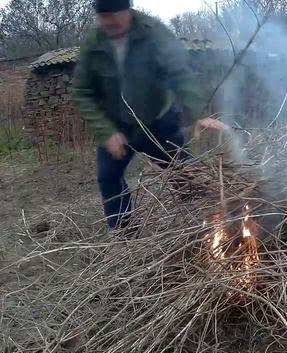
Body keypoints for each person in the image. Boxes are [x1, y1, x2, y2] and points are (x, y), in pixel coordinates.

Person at [73, 0, 225, 230]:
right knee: (108, 179)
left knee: (185, 175)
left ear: (127, 10)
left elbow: (180, 73)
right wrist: (106, 131)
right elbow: (82, 92)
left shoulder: (153, 33)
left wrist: (198, 114)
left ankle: (201, 223)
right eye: (102, 16)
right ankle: (126, 238)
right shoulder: (94, 44)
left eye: (113, 15)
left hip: (158, 122)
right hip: (115, 127)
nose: (108, 22)